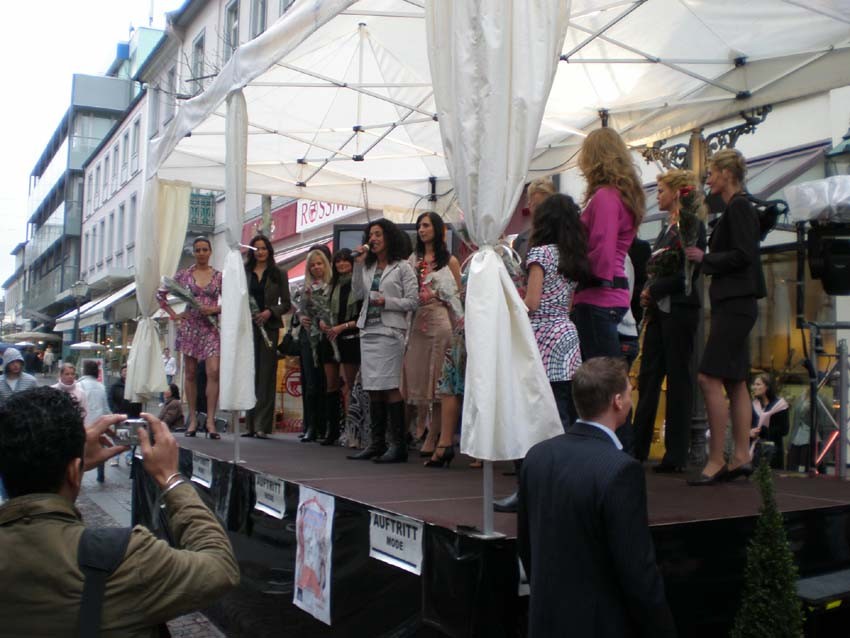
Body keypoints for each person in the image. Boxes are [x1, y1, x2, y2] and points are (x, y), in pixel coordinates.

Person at [0, 386, 239, 636]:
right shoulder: (123, 558)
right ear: (74, 472)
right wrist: (170, 478)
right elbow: (220, 568)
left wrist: (72, 465)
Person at [518, 357, 676, 638]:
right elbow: (636, 570)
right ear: (618, 401)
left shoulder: (537, 456)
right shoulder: (621, 470)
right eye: (629, 391)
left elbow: (526, 545)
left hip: (545, 620)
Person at [685, 149, 766, 485]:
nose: (708, 177)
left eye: (712, 172)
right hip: (736, 303)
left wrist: (706, 258)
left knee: (707, 377)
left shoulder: (739, 207)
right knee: (735, 381)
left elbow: (744, 254)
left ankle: (717, 458)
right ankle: (741, 456)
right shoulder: (738, 208)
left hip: (735, 303)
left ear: (727, 173)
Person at [633, 169, 708, 473]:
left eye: (662, 190)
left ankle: (676, 453)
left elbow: (688, 274)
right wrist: (649, 291)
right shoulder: (668, 228)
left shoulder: (692, 226)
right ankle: (637, 447)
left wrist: (654, 289)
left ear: (677, 193)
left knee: (678, 379)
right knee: (649, 376)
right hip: (660, 310)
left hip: (679, 309)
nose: (658, 196)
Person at [347, 219, 418, 463]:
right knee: (372, 387)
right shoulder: (367, 266)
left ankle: (398, 445)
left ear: (389, 237)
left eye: (378, 234)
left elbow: (413, 301)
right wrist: (357, 265)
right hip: (368, 331)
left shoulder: (403, 267)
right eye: (370, 235)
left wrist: (386, 301)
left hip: (390, 331)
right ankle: (376, 443)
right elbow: (357, 293)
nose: (373, 239)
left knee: (389, 386)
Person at [572, 127, 645, 360]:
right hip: (613, 295)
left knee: (599, 377)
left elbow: (602, 249)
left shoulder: (605, 196)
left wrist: (574, 272)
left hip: (598, 297)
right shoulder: (622, 196)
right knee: (606, 375)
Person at [401, 212, 462, 457]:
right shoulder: (412, 259)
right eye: (419, 226)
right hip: (418, 322)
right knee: (416, 377)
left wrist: (437, 294)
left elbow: (457, 296)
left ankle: (435, 436)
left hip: (440, 321)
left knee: (438, 381)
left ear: (437, 229)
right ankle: (416, 429)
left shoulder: (450, 261)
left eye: (426, 225)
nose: (421, 230)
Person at [157, 236, 222, 439]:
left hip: (211, 327)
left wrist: (214, 309)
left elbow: (230, 301)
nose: (201, 253)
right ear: (193, 253)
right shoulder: (184, 275)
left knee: (214, 371)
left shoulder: (219, 276)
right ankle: (192, 419)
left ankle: (210, 420)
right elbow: (160, 294)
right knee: (191, 373)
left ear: (210, 252)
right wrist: (174, 315)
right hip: (190, 326)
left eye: (205, 249)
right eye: (198, 250)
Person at [242, 234, 291, 439]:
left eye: (264, 248)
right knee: (249, 374)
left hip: (269, 327)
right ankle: (250, 424)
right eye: (257, 248)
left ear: (269, 251)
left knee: (266, 375)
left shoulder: (278, 273)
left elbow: (286, 303)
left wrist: (270, 312)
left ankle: (262, 425)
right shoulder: (244, 272)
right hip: (248, 327)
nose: (260, 252)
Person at [317, 248, 362, 446]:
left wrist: (342, 327)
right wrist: (322, 323)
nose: (342, 264)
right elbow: (322, 311)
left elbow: (361, 317)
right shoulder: (331, 286)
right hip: (330, 339)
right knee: (331, 385)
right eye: (338, 261)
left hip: (350, 338)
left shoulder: (358, 285)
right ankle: (332, 430)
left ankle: (353, 430)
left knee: (350, 386)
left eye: (345, 261)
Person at [297, 246, 333, 443]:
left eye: (319, 264)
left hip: (327, 337)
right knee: (311, 382)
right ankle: (311, 425)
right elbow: (300, 309)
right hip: (309, 337)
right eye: (313, 265)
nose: (316, 267)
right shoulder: (306, 288)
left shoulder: (332, 285)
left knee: (327, 382)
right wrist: (301, 316)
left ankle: (327, 425)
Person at [78, 359, 113, 478]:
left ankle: (79, 475)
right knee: (100, 449)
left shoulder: (79, 385)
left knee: (80, 451)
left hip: (84, 425)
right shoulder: (101, 386)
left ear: (84, 370)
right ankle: (101, 474)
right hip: (99, 424)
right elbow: (105, 407)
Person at [787, 388, 835, 472]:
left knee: (806, 465)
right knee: (793, 464)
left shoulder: (821, 399)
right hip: (797, 436)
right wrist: (790, 442)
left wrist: (825, 450)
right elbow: (796, 421)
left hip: (811, 437)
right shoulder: (801, 397)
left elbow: (826, 422)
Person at [513, 177, 558, 265]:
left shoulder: (562, 237)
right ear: (529, 205)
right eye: (537, 206)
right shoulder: (520, 240)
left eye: (546, 206)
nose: (542, 211)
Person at [750, 372, 789, 469]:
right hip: (754, 451)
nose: (754, 387)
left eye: (758, 384)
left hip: (773, 451)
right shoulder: (753, 405)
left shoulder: (780, 406)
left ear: (767, 387)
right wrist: (750, 432)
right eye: (754, 384)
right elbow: (746, 426)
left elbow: (784, 430)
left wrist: (763, 431)